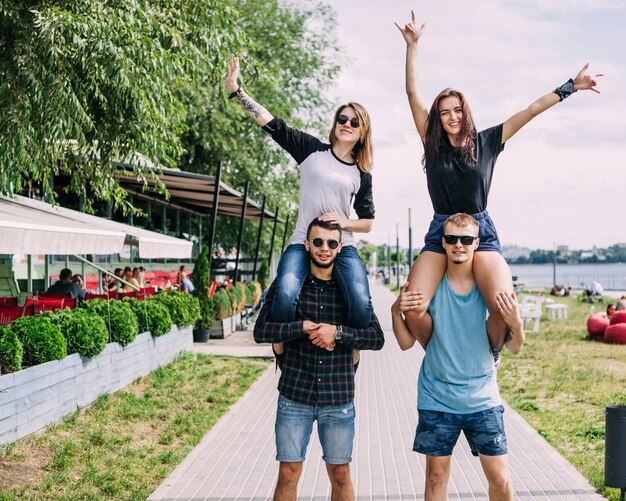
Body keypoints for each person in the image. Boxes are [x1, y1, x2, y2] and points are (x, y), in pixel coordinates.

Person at [395, 11, 602, 351]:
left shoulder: (488, 141)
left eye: (457, 110)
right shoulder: (431, 144)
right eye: (445, 111)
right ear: (439, 117)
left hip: (480, 229)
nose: (452, 117)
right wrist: (412, 46)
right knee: (414, 306)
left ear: (467, 112)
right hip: (441, 230)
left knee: (504, 308)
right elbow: (412, 93)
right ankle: (442, 353)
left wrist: (572, 87)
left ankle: (490, 354)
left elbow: (532, 109)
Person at [225, 57, 375, 333]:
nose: (347, 124)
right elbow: (271, 123)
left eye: (354, 122)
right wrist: (237, 90)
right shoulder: (311, 151)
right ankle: (282, 347)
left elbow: (367, 222)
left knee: (361, 301)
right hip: (302, 241)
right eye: (342, 118)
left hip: (341, 245)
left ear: (362, 131)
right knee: (284, 293)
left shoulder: (361, 173)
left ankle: (350, 349)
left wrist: (344, 223)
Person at [391, 213, 525, 501]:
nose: (459, 245)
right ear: (443, 242)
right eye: (451, 239)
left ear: (477, 243)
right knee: (436, 477)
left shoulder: (490, 290)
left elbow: (516, 348)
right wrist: (394, 311)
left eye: (466, 240)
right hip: (437, 396)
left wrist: (516, 321)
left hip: (482, 397)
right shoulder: (430, 287)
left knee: (500, 478)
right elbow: (404, 344)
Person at [253, 219, 384, 500]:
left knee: (340, 475)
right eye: (318, 242)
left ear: (339, 248)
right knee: (288, 472)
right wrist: (300, 327)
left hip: (338, 398)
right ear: (306, 244)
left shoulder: (351, 289)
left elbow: (377, 337)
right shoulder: (288, 286)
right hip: (294, 394)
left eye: (332, 243)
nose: (324, 248)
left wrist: (337, 333)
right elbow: (260, 331)